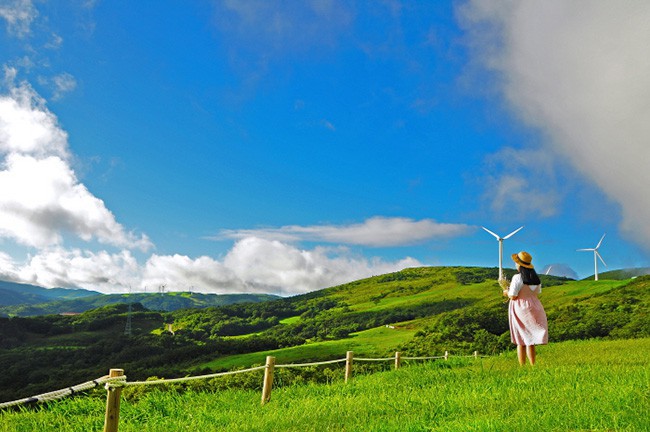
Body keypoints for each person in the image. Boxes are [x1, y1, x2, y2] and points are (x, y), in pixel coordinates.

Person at [502, 251, 548, 365]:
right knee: (530, 339)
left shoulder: (517, 278)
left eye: (516, 263)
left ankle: (522, 366)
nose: (515, 265)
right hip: (535, 306)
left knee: (521, 337)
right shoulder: (536, 279)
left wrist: (506, 292)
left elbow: (513, 295)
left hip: (520, 307)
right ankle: (533, 365)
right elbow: (537, 292)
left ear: (520, 265)